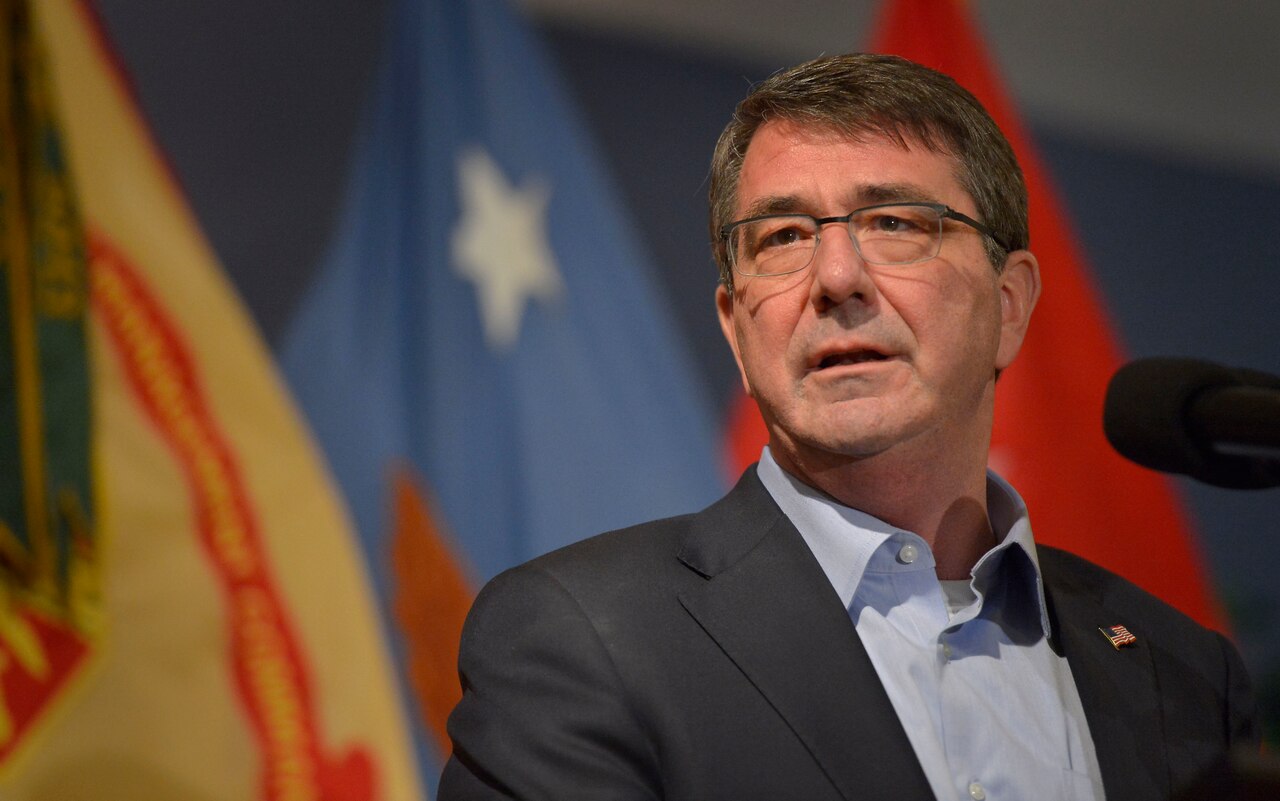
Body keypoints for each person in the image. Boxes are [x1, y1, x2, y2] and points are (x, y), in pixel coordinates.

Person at [437, 53, 1258, 801]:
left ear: (1009, 306)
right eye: (783, 237)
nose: (835, 278)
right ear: (737, 328)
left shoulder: (1184, 672)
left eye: (895, 223)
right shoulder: (579, 640)